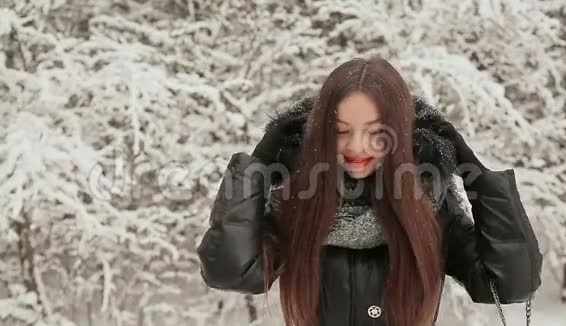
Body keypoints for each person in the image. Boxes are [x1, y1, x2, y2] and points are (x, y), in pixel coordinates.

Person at [196, 57, 543, 326]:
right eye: (341, 131)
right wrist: (256, 164)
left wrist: (477, 175)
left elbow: (511, 283)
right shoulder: (297, 205)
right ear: (321, 134)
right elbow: (229, 271)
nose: (357, 146)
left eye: (377, 132)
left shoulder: (429, 207)